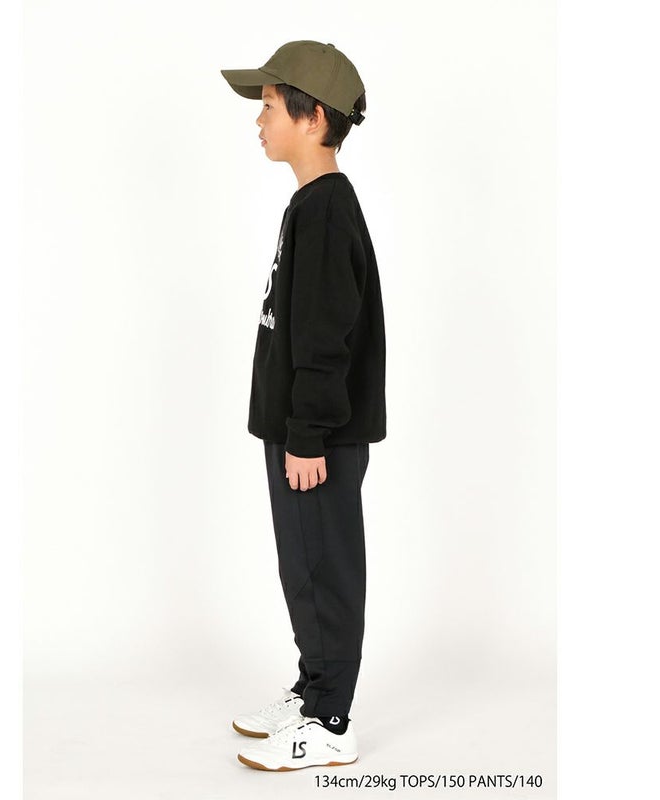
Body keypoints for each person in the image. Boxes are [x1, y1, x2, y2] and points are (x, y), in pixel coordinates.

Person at [220, 40, 387, 772]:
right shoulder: (310, 205)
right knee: (302, 565)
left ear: (312, 116)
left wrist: (309, 435)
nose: (258, 120)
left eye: (267, 106)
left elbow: (325, 334)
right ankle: (312, 687)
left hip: (315, 435)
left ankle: (331, 720)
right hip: (298, 428)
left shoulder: (326, 211)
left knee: (325, 567)